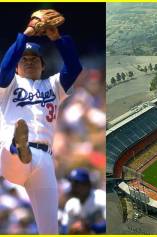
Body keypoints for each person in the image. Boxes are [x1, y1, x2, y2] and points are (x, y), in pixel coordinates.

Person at [0, 19, 82, 233]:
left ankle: (22, 148)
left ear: (43, 65)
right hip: (10, 156)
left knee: (49, 230)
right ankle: (19, 147)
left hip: (44, 160)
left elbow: (74, 67)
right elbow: (3, 69)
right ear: (16, 67)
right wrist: (25, 33)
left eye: (34, 58)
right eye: (23, 59)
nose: (29, 62)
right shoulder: (9, 85)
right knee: (12, 148)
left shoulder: (54, 85)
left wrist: (57, 38)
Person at [61, 168, 106, 234]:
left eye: (77, 184)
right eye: (72, 183)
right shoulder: (71, 204)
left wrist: (90, 227)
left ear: (88, 185)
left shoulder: (100, 197)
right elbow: (64, 228)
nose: (73, 187)